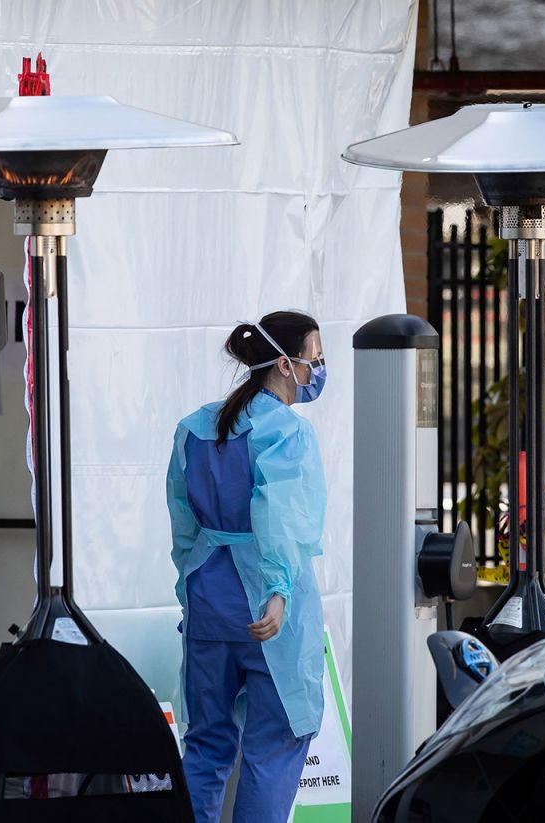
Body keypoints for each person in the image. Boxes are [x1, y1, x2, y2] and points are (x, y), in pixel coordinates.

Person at [166, 310, 328, 823]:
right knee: (274, 746)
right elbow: (281, 515)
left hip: (209, 598)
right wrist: (278, 591)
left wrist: (191, 590)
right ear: (285, 364)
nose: (319, 368)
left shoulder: (195, 428)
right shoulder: (286, 433)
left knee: (207, 744)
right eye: (315, 358)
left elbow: (182, 524)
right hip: (266, 611)